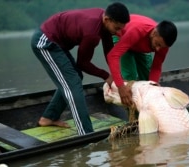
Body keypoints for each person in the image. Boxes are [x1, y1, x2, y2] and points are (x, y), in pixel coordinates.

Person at [31, 2, 130, 135]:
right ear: (107, 19)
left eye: (121, 29)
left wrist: (118, 78)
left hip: (59, 44)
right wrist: (106, 76)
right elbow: (83, 63)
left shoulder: (104, 22)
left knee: (75, 77)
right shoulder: (92, 34)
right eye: (117, 28)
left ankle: (49, 117)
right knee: (73, 83)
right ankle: (86, 133)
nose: (118, 33)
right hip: (45, 42)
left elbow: (109, 54)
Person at [107, 14, 177, 107]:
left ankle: (148, 108)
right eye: (157, 44)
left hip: (141, 46)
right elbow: (112, 56)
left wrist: (153, 86)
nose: (158, 49)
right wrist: (120, 87)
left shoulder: (163, 45)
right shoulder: (137, 31)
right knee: (129, 79)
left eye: (161, 46)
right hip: (123, 38)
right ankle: (132, 113)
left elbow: (156, 67)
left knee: (148, 80)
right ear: (154, 33)